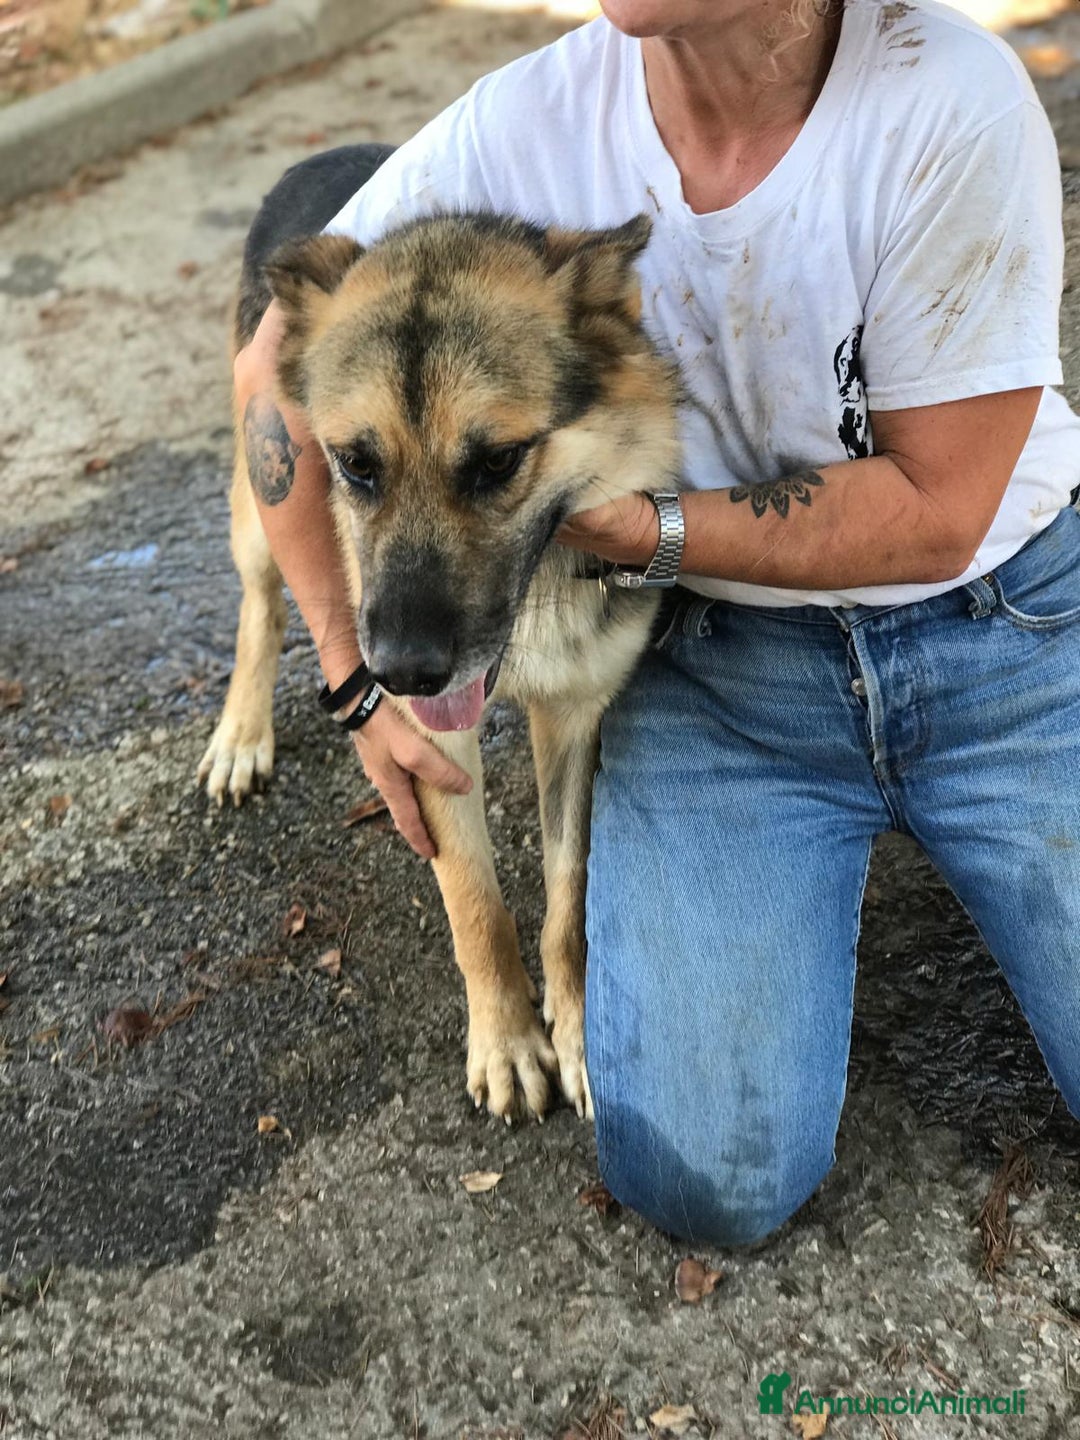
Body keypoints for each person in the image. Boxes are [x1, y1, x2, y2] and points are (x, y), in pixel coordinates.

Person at [234, 0, 1080, 1245]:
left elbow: (938, 513)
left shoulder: (945, 95)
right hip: (732, 658)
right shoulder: (530, 121)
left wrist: (651, 535)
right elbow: (274, 371)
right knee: (706, 1180)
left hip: (997, 625)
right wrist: (349, 668)